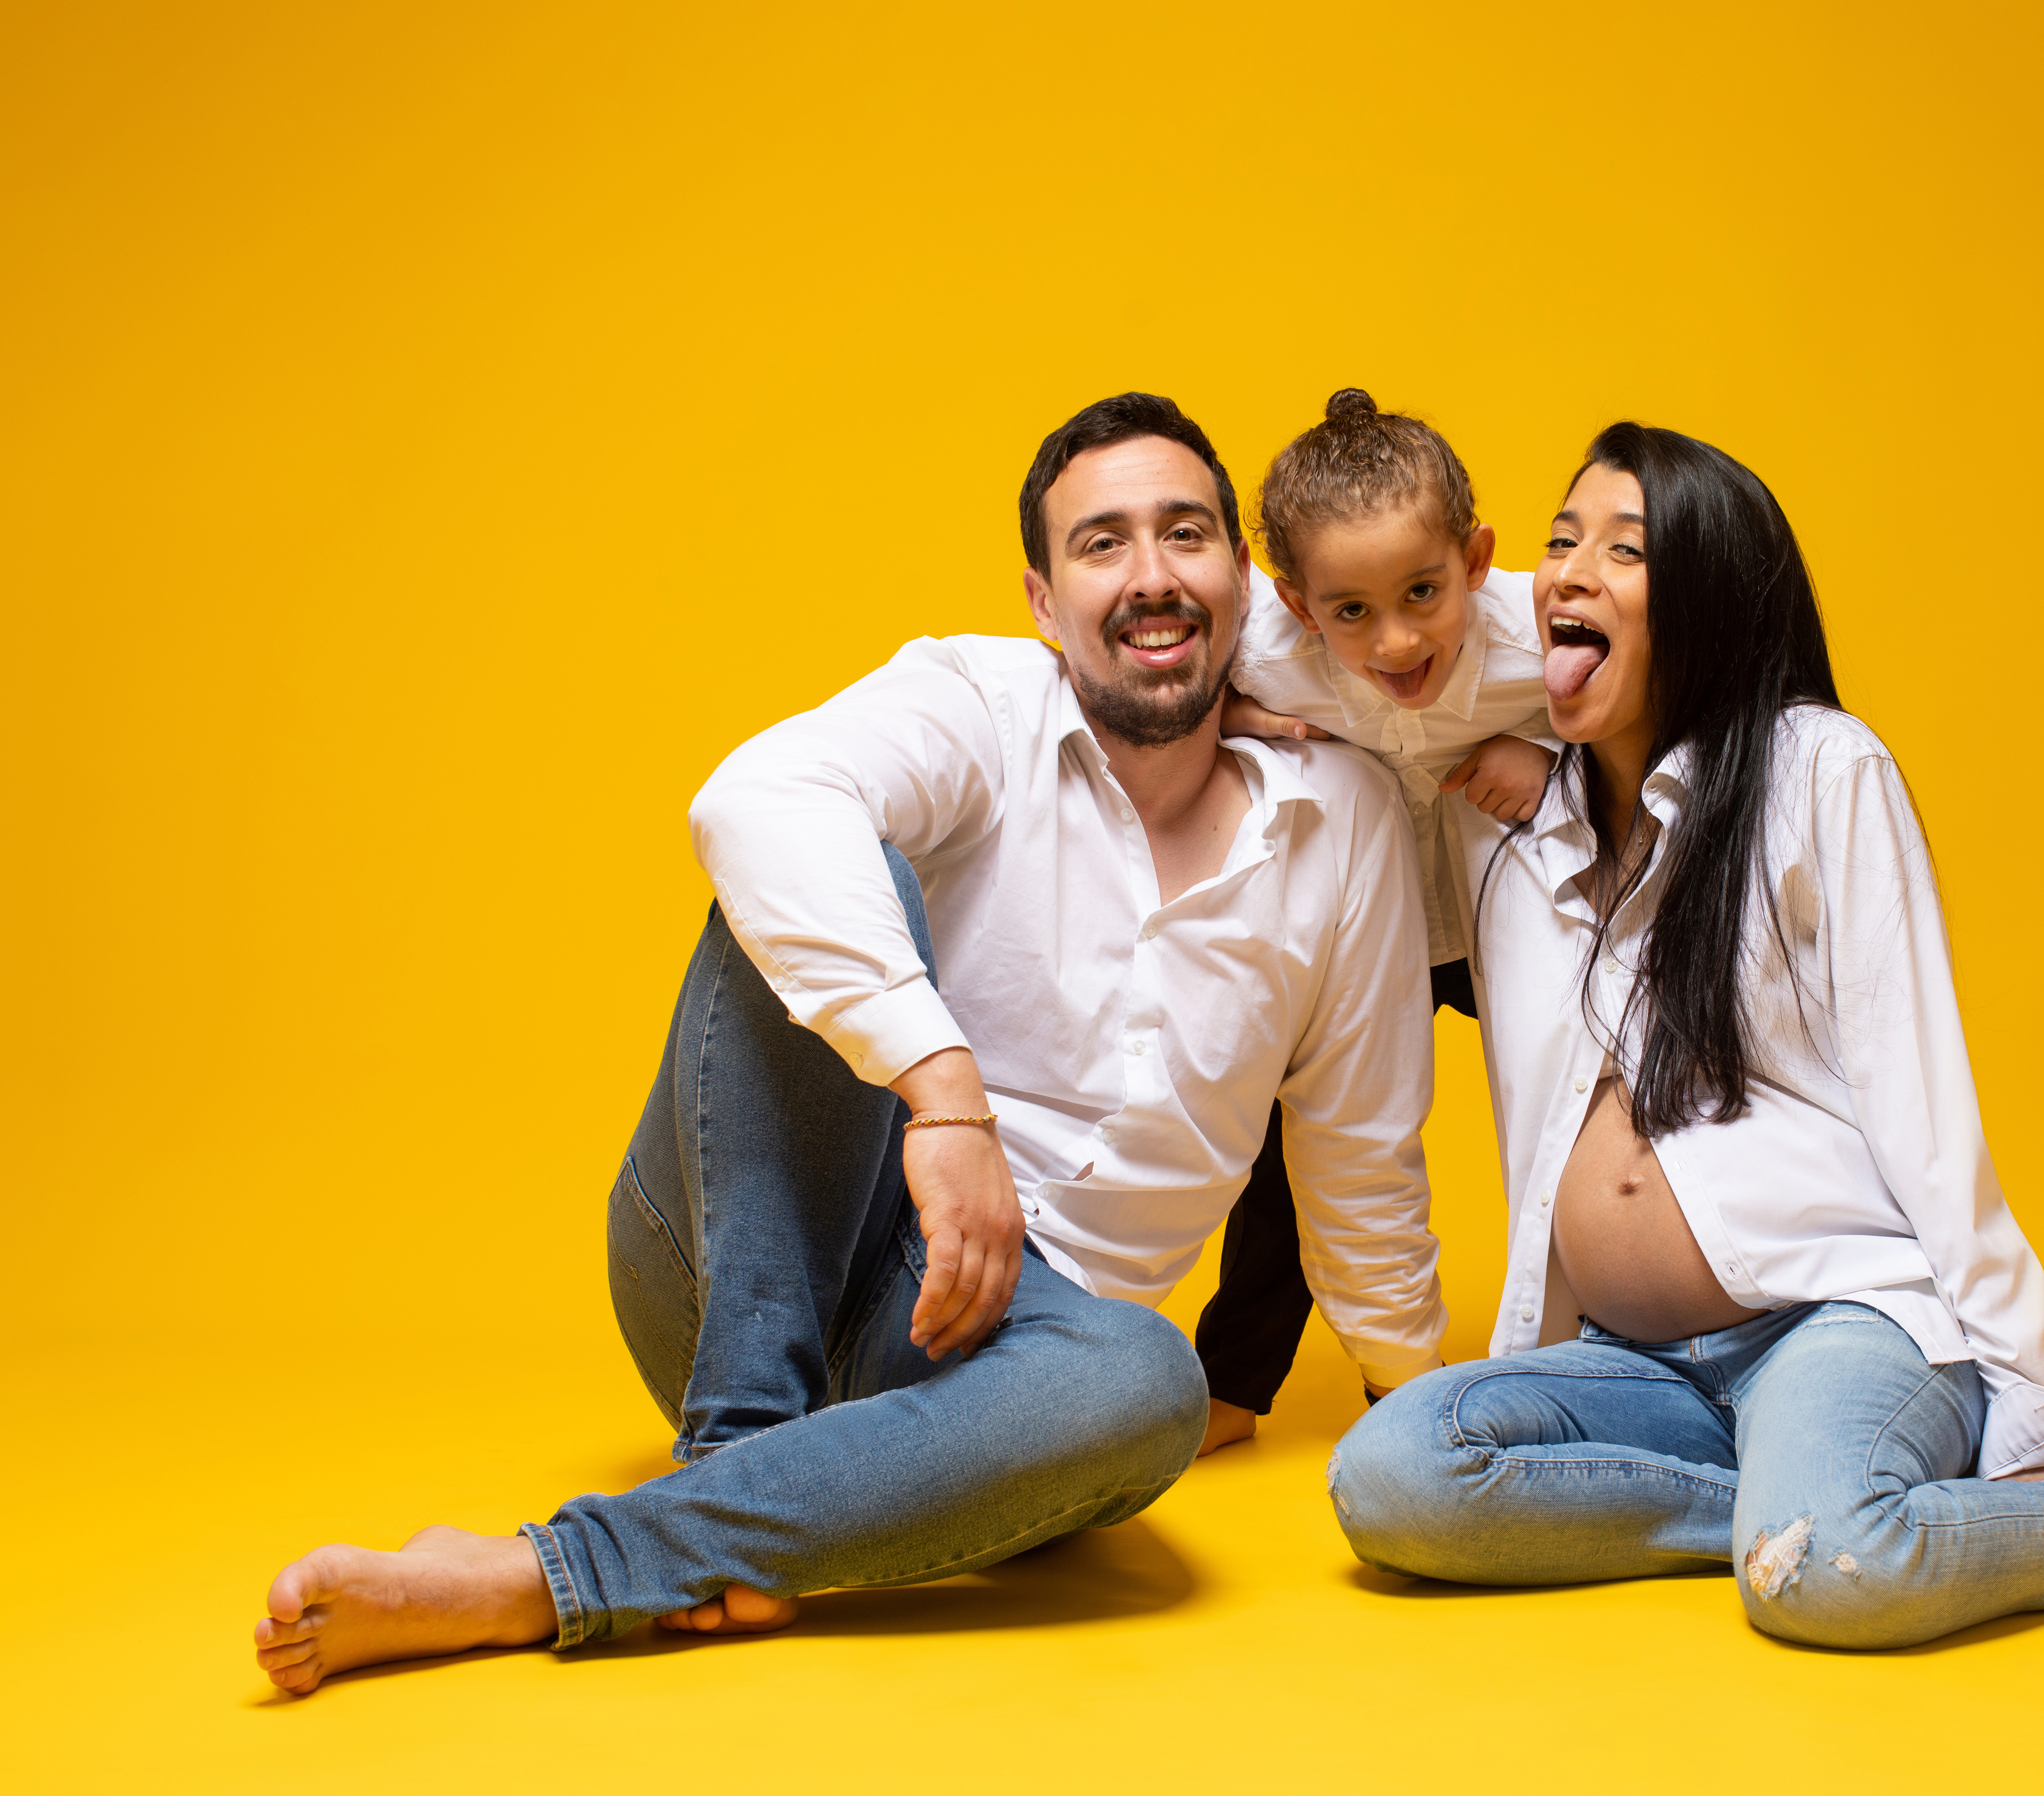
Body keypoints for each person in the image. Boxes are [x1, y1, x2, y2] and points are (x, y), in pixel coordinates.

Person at [252, 392, 1450, 1695]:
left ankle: (634, 1549)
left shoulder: (1345, 821)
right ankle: (722, 1466)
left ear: (1244, 583)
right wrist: (946, 1100)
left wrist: (1421, 1416)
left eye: (1185, 536)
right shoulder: (975, 701)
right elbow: (751, 799)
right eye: (1102, 545)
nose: (1151, 578)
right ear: (1044, 603)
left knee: (1148, 1388)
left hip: (1001, 1376)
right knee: (820, 861)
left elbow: (1358, 1156)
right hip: (739, 1270)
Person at [1324, 423, 2044, 1649]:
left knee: (1833, 1575)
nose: (1569, 575)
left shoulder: (1819, 771)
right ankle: (1793, 1509)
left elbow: (1925, 1106)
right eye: (1558, 542)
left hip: (1838, 1321)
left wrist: (2033, 1424)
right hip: (1640, 1365)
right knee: (1393, 1476)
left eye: (1624, 551)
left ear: (1708, 598)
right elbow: (1333, 648)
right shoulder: (1514, 823)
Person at [1193, 389, 1555, 1453]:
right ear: (1296, 605)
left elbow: (1674, 708)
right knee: (1284, 1147)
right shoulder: (1260, 647)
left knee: (1581, 1107)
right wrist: (1237, 714)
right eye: (1349, 611)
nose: (1394, 638)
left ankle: (1609, 1342)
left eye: (1423, 592)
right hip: (1352, 935)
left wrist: (1555, 762)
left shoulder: (1541, 635)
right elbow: (1131, 680)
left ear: (1477, 559)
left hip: (1500, 923)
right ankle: (1235, 1382)